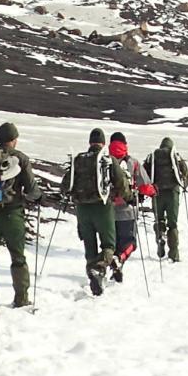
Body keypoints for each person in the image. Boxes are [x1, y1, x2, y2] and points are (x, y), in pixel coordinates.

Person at [0, 121, 44, 310]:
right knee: (18, 256)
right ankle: (21, 297)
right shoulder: (20, 158)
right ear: (14, 139)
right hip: (12, 213)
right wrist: (37, 197)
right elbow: (31, 189)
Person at [60, 126, 131, 296]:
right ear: (103, 143)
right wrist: (128, 197)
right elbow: (121, 184)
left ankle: (94, 275)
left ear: (90, 142)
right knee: (109, 245)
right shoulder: (107, 160)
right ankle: (98, 270)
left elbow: (65, 185)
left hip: (82, 209)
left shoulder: (79, 160)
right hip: (103, 207)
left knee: (89, 245)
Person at [107, 131, 153, 283]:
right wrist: (152, 192)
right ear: (125, 144)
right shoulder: (132, 162)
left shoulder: (104, 161)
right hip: (128, 211)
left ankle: (110, 268)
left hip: (106, 212)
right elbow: (145, 186)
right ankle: (119, 260)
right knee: (130, 244)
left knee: (110, 244)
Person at [144, 135, 188, 261]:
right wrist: (184, 187)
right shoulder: (175, 156)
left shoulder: (152, 157)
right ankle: (174, 254)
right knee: (172, 224)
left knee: (159, 220)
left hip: (157, 193)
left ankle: (160, 237)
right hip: (172, 193)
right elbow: (186, 176)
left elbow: (144, 175)